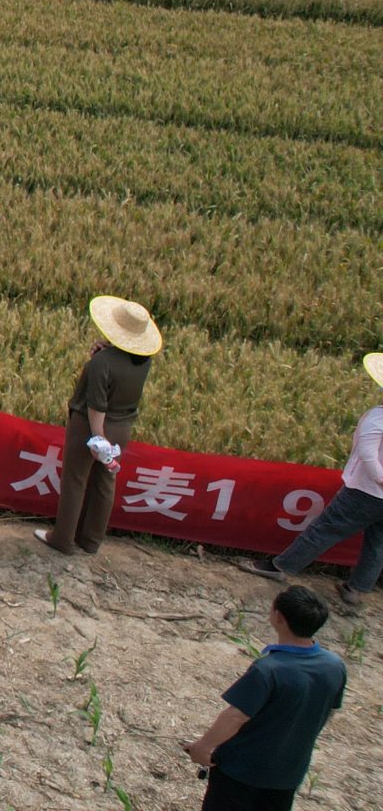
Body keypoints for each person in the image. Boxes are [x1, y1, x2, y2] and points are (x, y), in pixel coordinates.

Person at [182, 587, 350, 809]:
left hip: (241, 771)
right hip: (288, 773)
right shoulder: (335, 666)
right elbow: (329, 710)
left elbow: (236, 716)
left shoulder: (269, 670)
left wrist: (203, 747)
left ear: (278, 617)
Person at [245, 352, 383, 607]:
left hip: (366, 492)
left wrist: (380, 480)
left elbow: (367, 454)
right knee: (378, 543)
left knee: (325, 529)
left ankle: (279, 566)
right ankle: (355, 589)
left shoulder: (378, 417)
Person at [38, 296, 162, 557]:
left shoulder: (102, 363)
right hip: (123, 428)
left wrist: (98, 440)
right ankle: (91, 541)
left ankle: (62, 539)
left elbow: (96, 404)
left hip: (92, 427)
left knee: (75, 479)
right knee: (106, 481)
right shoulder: (144, 361)